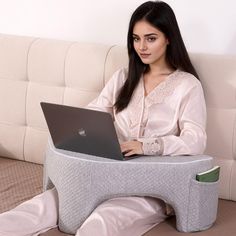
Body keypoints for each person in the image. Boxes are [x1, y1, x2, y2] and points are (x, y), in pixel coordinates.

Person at [0, 1, 206, 236]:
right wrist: (74, 127)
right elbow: (95, 113)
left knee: (100, 224)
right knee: (37, 208)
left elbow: (196, 139)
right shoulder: (124, 78)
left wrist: (145, 146)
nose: (142, 47)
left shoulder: (187, 86)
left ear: (168, 38)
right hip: (103, 173)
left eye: (151, 38)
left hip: (149, 185)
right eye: (136, 39)